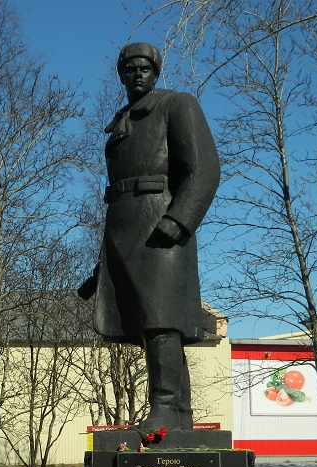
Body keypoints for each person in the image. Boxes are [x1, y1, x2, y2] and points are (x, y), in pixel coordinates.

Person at [79, 42, 220, 431]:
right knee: (150, 324)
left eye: (145, 68)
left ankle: (165, 406)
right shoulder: (122, 120)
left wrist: (178, 219)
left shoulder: (177, 104)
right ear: (121, 75)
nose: (137, 74)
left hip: (160, 224)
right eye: (130, 68)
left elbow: (204, 168)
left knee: (161, 319)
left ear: (156, 73)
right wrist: (102, 266)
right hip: (123, 228)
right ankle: (180, 415)